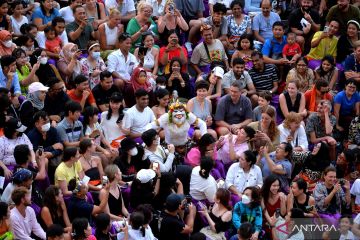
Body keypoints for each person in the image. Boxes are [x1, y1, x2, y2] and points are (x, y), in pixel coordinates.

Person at [27, 111, 63, 177]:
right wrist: (52, 147)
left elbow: (60, 146)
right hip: (39, 158)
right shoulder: (31, 135)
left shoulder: (53, 130)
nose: (47, 124)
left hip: (52, 155)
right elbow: (36, 152)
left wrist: (52, 153)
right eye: (44, 123)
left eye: (48, 122)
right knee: (44, 160)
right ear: (36, 124)